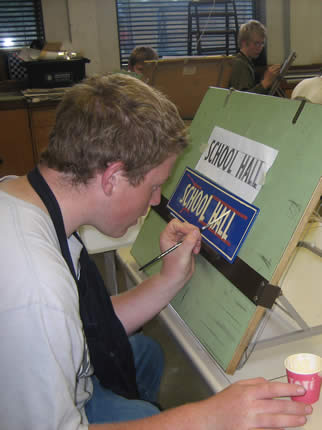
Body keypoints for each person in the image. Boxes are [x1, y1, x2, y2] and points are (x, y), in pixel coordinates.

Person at [0, 73, 312, 429]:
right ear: (112, 178)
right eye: (154, 185)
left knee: (145, 353)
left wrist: (169, 279)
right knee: (148, 415)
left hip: (69, 376)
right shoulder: (36, 290)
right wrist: (208, 416)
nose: (156, 201)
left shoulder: (23, 199)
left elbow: (84, 325)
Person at [229, 19, 280, 94]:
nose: (260, 48)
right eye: (256, 43)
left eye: (262, 43)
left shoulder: (247, 61)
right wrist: (265, 82)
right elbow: (243, 99)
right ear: (244, 43)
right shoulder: (240, 64)